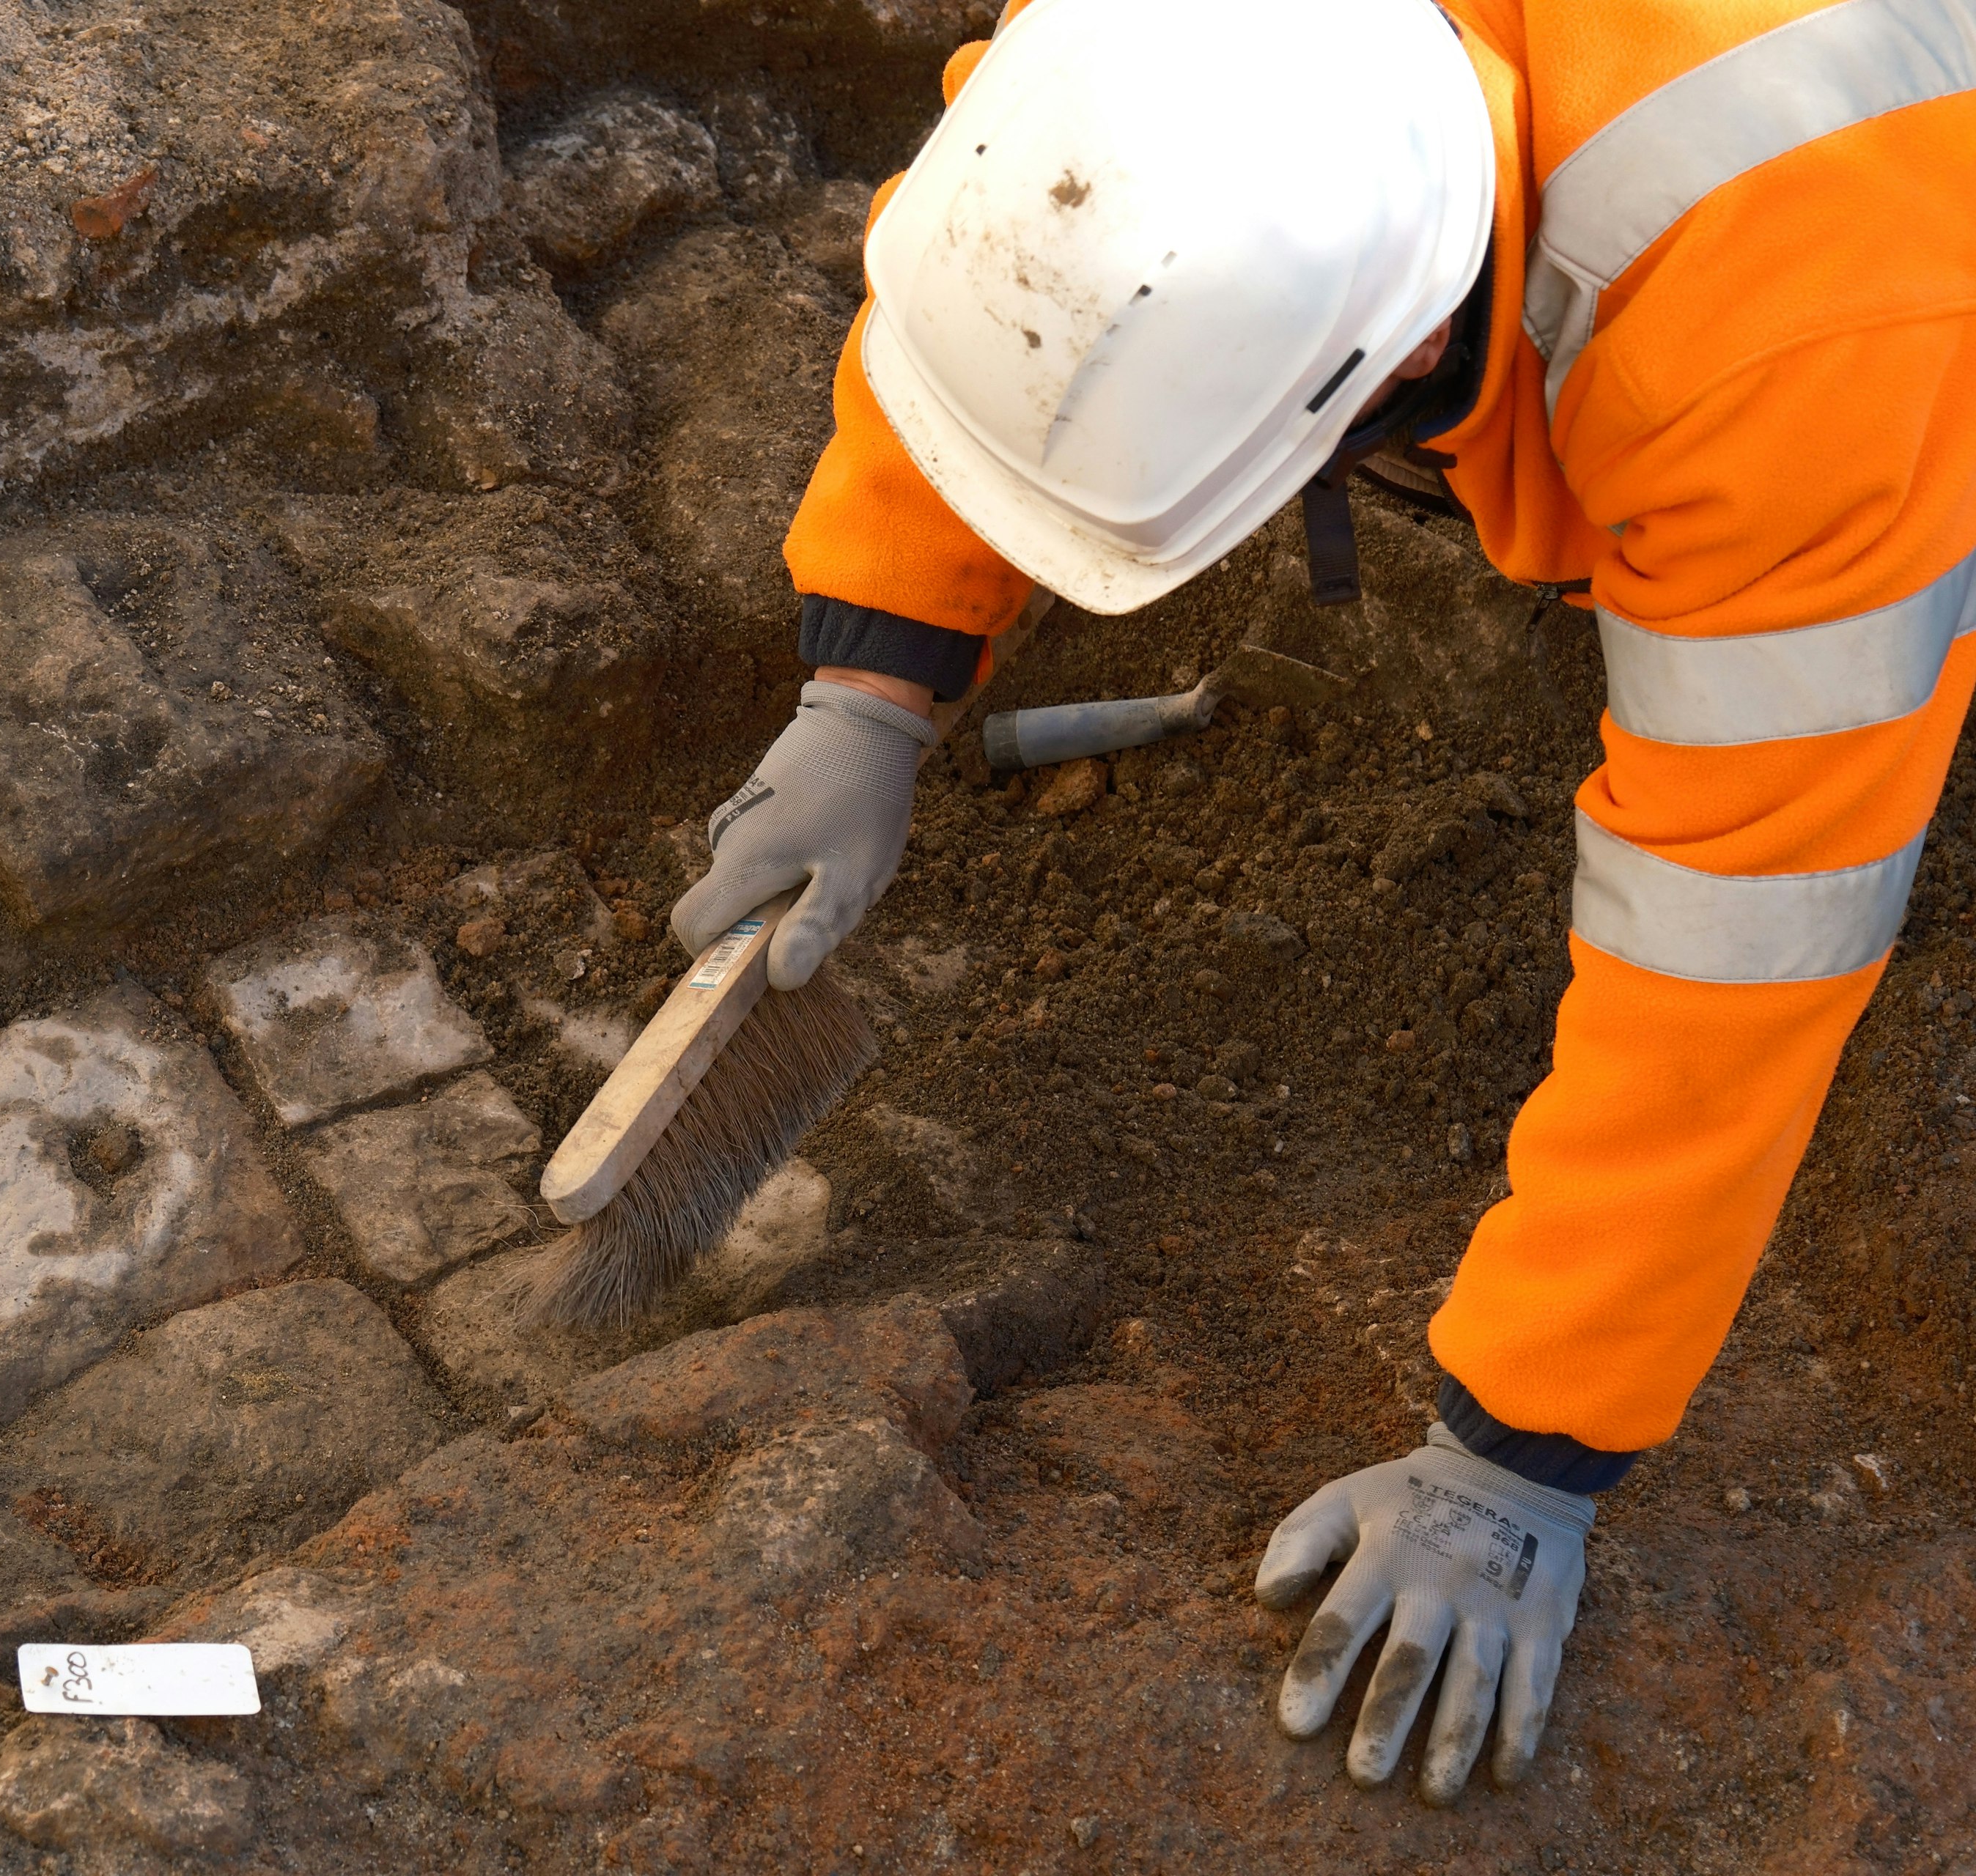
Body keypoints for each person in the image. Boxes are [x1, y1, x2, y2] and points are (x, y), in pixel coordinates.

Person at [671, 0, 1976, 1808]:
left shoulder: (1791, 350)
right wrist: (875, 673)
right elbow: (1037, 250)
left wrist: (1523, 1453)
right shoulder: (1175, 51)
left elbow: (1744, 918)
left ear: (1412, 348)